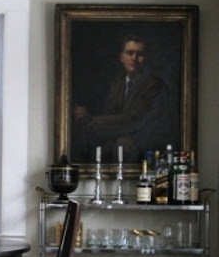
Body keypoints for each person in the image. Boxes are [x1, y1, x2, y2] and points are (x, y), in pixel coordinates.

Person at [71, 34, 171, 163]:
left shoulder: (154, 85)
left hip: (142, 149)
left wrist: (91, 119)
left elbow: (135, 120)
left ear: (146, 59)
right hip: (116, 145)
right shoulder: (117, 85)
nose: (134, 58)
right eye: (129, 53)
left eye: (139, 54)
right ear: (121, 58)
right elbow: (110, 115)